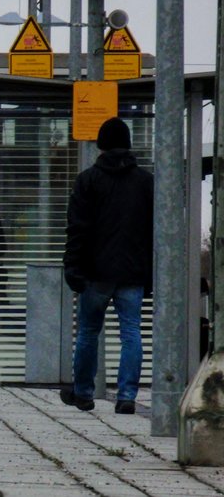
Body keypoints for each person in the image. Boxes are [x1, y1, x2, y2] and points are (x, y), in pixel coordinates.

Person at [61, 117, 153, 414]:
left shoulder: (88, 180)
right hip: (133, 272)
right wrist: (151, 274)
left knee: (88, 331)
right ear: (128, 144)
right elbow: (156, 231)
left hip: (95, 272)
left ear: (100, 144)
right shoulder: (146, 182)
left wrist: (72, 266)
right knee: (131, 332)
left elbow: (77, 227)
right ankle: (126, 395)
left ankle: (84, 393)